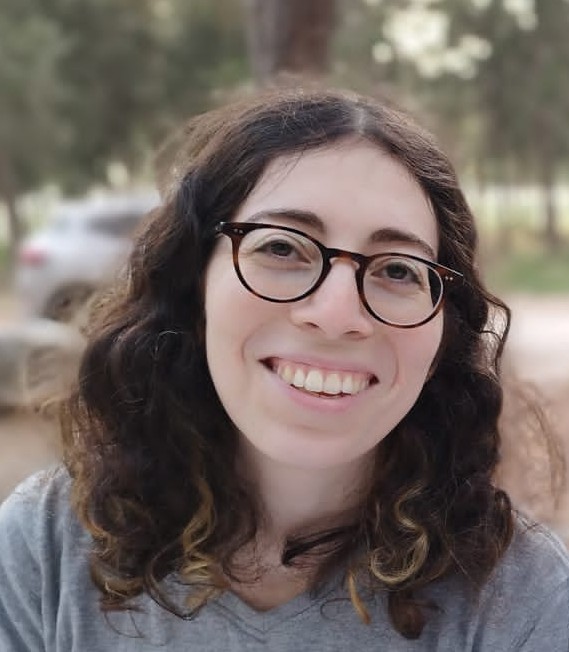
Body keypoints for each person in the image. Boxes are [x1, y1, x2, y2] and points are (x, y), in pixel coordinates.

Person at [1, 87, 568, 651]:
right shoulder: (44, 549)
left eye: (399, 270)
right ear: (193, 287)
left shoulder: (527, 603)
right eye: (281, 248)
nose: (337, 314)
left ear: (446, 336)